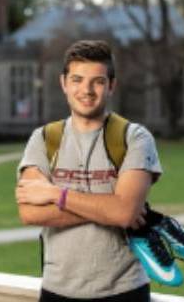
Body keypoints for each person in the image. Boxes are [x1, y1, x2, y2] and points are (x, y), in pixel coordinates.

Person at [15, 40, 162, 302]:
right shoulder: (44, 138)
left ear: (111, 85)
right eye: (77, 80)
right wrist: (109, 208)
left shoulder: (135, 138)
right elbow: (29, 212)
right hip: (57, 291)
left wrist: (55, 194)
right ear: (64, 83)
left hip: (124, 291)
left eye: (98, 81)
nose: (87, 90)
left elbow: (125, 213)